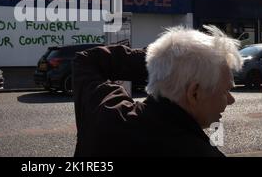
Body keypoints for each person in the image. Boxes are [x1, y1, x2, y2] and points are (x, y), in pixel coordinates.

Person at [72, 25, 242, 157]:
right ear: (194, 93)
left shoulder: (106, 112)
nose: (230, 99)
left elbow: (87, 60)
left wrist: (163, 64)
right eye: (225, 91)